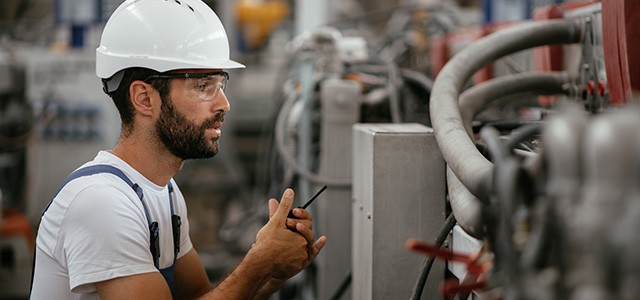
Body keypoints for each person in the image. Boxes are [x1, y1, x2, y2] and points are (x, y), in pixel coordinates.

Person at [29, 0, 327, 299]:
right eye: (202, 86)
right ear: (144, 98)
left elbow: (200, 295)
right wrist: (257, 264)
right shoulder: (102, 203)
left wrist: (271, 273)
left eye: (220, 83)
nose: (224, 104)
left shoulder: (164, 192)